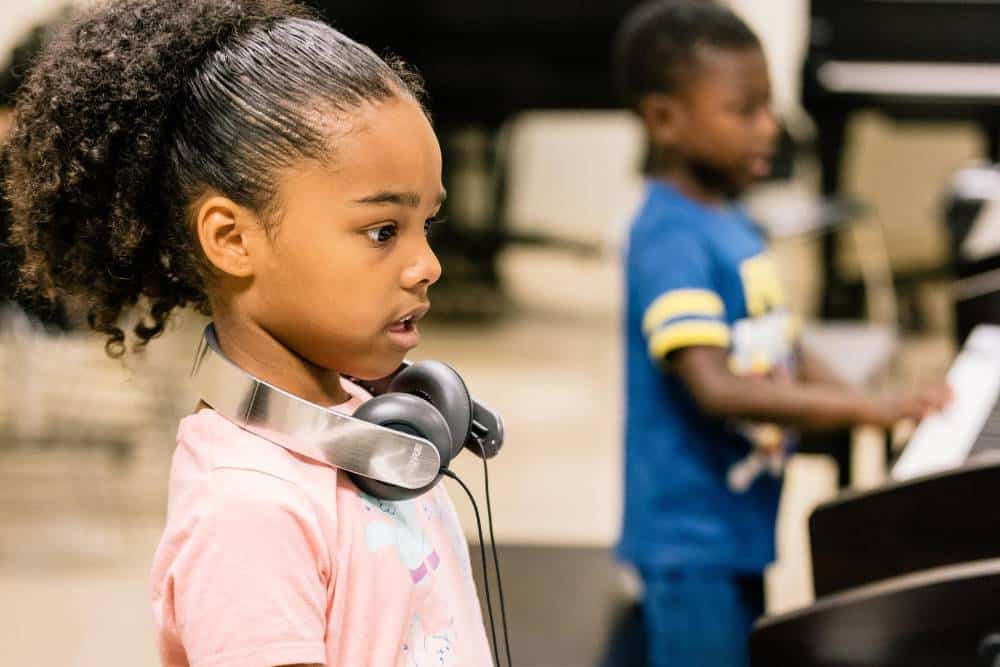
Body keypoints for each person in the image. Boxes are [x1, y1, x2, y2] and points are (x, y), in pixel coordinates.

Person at [3, 1, 494, 665]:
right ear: (232, 239)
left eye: (426, 225)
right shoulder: (249, 512)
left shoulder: (376, 436)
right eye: (383, 231)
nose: (428, 265)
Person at [611, 2, 950, 665]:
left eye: (769, 107)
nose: (769, 129)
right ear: (664, 119)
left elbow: (783, 342)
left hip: (735, 527)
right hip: (690, 542)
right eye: (745, 111)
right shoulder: (670, 236)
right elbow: (714, 386)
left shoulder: (730, 219)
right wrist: (863, 407)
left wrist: (881, 404)